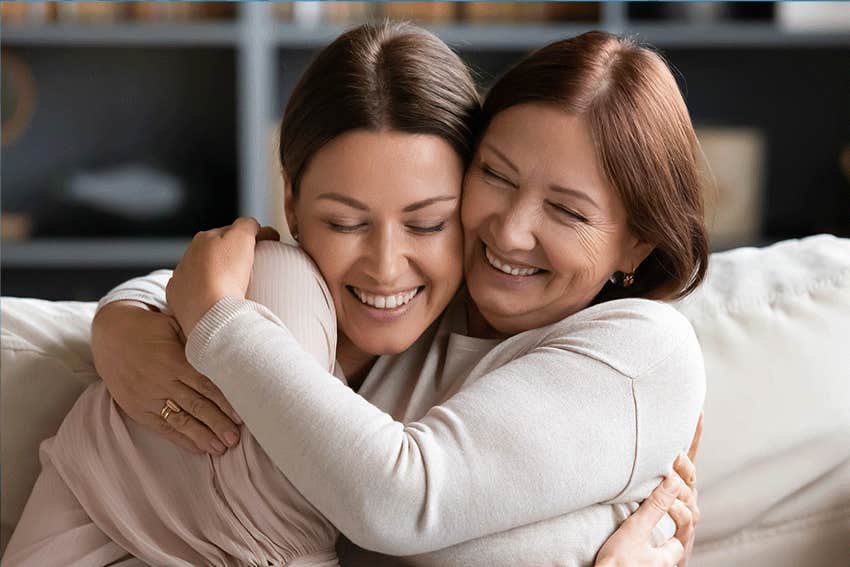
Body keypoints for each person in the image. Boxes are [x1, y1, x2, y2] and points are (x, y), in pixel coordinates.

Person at [3, 25, 703, 567]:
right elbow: (230, 278)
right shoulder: (351, 301)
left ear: (638, 242)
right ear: (294, 204)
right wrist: (125, 317)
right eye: (496, 175)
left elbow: (408, 514)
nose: (510, 230)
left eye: (427, 220)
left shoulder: (637, 352)